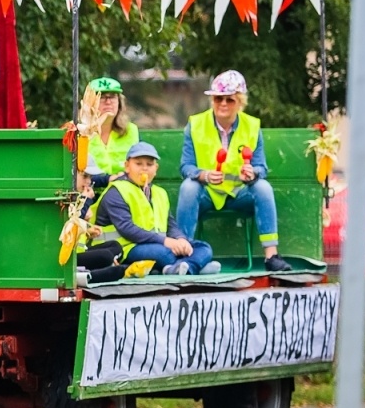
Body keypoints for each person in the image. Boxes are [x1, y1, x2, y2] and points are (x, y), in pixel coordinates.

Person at [176, 70, 291, 273]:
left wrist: (252, 173)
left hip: (239, 193)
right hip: (207, 193)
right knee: (188, 187)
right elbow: (186, 167)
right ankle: (183, 252)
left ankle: (271, 256)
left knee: (263, 187)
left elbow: (261, 167)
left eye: (229, 100)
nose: (223, 104)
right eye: (218, 98)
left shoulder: (252, 126)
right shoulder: (195, 125)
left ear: (240, 102)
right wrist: (203, 175)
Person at [96, 142, 220, 276]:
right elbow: (127, 229)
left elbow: (171, 225)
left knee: (204, 248)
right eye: (138, 164)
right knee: (164, 254)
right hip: (124, 248)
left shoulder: (159, 193)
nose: (144, 169)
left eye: (149, 165)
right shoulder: (117, 191)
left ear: (156, 168)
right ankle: (194, 266)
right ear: (127, 166)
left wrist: (181, 239)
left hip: (155, 244)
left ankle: (183, 267)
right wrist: (166, 241)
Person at [74, 77, 139, 194]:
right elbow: (74, 174)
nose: (108, 102)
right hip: (88, 193)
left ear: (119, 102)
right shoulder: (78, 132)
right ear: (89, 103)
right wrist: (107, 179)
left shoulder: (131, 130)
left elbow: (138, 166)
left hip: (123, 192)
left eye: (113, 97)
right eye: (102, 97)